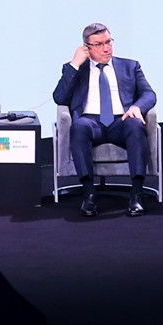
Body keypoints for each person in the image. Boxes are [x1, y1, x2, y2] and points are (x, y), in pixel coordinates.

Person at [53, 22, 157, 217]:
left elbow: (149, 94)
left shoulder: (130, 66)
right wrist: (75, 64)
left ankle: (136, 194)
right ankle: (89, 194)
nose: (106, 48)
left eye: (108, 42)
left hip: (121, 120)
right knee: (79, 126)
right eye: (99, 44)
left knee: (135, 125)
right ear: (87, 47)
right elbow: (60, 98)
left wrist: (136, 107)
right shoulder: (77, 69)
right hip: (91, 121)